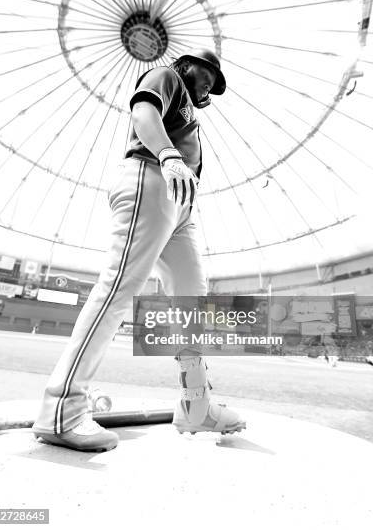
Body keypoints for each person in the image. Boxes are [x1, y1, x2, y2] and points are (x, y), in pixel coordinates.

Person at [32, 49, 246, 452]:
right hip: (151, 173)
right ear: (186, 67)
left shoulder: (189, 111)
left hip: (179, 202)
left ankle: (196, 406)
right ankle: (62, 410)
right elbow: (143, 112)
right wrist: (168, 155)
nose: (208, 86)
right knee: (119, 289)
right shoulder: (168, 77)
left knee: (190, 302)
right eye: (206, 75)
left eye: (213, 84)